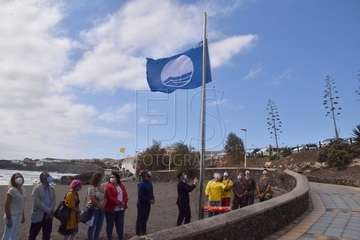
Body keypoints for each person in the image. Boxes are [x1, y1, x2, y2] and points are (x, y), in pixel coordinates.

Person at [28, 172, 56, 240]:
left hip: (48, 216)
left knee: (47, 234)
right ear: (43, 179)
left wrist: (50, 210)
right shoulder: (37, 189)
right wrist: (48, 210)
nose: (50, 177)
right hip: (38, 215)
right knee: (33, 234)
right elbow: (38, 203)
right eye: (48, 176)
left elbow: (53, 201)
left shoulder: (52, 188)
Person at [104, 171, 128, 240]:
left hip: (120, 210)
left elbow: (125, 195)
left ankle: (120, 238)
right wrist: (119, 203)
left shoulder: (121, 185)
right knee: (110, 226)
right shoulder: (108, 186)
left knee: (120, 226)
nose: (111, 178)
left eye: (113, 177)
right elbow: (110, 197)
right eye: (111, 177)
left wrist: (124, 202)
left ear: (117, 178)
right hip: (111, 210)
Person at [2, 173, 26, 240]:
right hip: (12, 216)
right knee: (7, 234)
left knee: (14, 234)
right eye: (17, 177)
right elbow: (7, 205)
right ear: (14, 180)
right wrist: (9, 218)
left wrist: (23, 216)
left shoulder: (23, 190)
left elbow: (22, 204)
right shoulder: (12, 190)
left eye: (20, 176)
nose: (19, 178)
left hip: (19, 215)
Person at [87, 173, 105, 240]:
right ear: (97, 178)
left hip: (102, 209)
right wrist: (100, 206)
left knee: (99, 226)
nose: (103, 179)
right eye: (101, 177)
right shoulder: (91, 188)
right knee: (92, 226)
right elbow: (93, 199)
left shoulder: (102, 187)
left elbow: (106, 197)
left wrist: (103, 206)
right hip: (94, 209)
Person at [136, 170, 154, 236]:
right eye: (147, 175)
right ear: (144, 176)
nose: (148, 176)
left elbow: (151, 192)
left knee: (145, 218)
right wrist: (149, 200)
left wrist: (153, 199)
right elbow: (141, 196)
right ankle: (139, 232)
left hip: (147, 204)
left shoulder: (150, 183)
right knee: (141, 218)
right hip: (141, 204)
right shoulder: (141, 184)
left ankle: (143, 231)